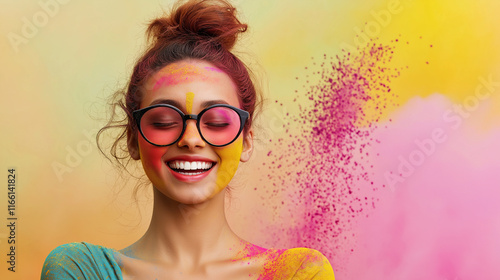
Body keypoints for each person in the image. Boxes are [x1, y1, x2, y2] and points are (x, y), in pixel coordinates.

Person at [41, 0, 335, 279]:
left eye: (217, 121)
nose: (191, 139)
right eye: (164, 121)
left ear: (246, 141)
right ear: (133, 138)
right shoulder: (78, 270)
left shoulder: (297, 273)